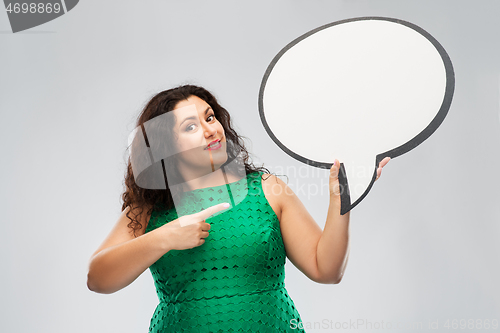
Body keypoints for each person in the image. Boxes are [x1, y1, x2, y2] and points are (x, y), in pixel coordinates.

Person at [86, 85, 390, 332]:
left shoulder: (267, 189)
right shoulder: (150, 208)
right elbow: (98, 278)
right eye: (191, 126)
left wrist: (341, 199)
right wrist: (165, 237)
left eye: (209, 117)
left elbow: (327, 269)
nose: (210, 130)